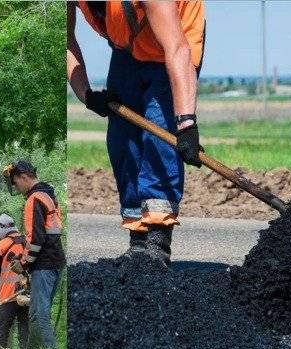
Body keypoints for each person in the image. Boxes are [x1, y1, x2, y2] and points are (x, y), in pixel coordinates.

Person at [66, 1, 205, 265]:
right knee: (122, 140)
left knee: (159, 133)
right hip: (128, 47)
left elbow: (177, 48)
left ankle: (158, 241)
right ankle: (138, 241)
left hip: (174, 42)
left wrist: (186, 125)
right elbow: (66, 40)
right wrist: (86, 94)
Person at [2, 160, 64, 349]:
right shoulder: (48, 195)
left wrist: (23, 263)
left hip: (44, 265)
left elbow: (36, 240)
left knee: (38, 315)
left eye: (15, 183)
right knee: (38, 312)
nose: (16, 187)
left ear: (24, 177)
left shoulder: (33, 199)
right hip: (55, 261)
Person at [0, 214, 30, 349]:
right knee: (25, 327)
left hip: (8, 296)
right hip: (27, 293)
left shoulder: (0, 246)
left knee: (1, 330)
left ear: (1, 228)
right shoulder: (28, 241)